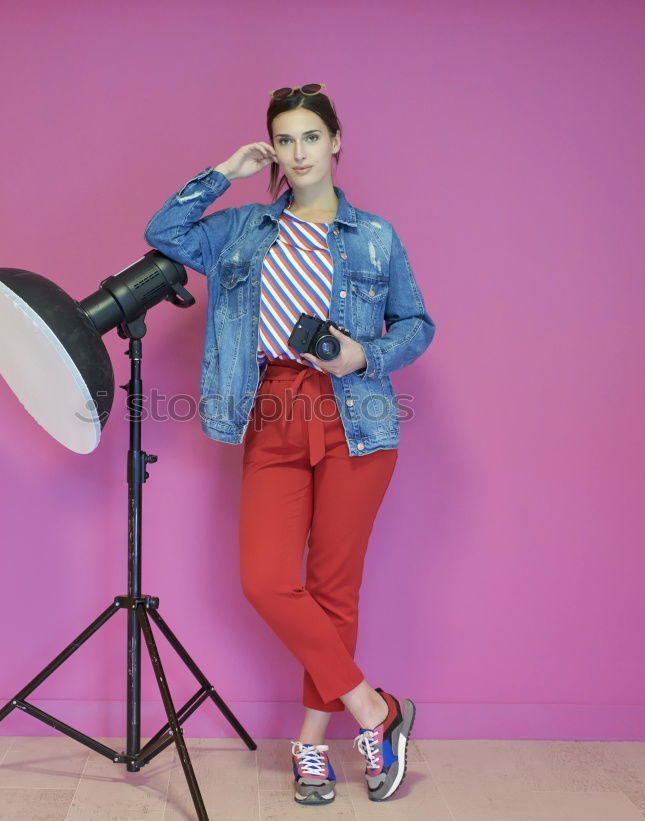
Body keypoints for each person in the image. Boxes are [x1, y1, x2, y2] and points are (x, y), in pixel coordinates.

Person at [144, 83, 435, 805]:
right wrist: (223, 171)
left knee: (335, 587)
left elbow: (418, 324)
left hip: (356, 415)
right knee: (267, 578)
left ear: (336, 142)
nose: (298, 151)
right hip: (272, 408)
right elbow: (165, 232)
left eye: (310, 136)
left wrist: (362, 355)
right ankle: (377, 710)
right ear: (271, 148)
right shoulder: (243, 228)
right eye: (284, 139)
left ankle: (311, 743)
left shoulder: (376, 236)